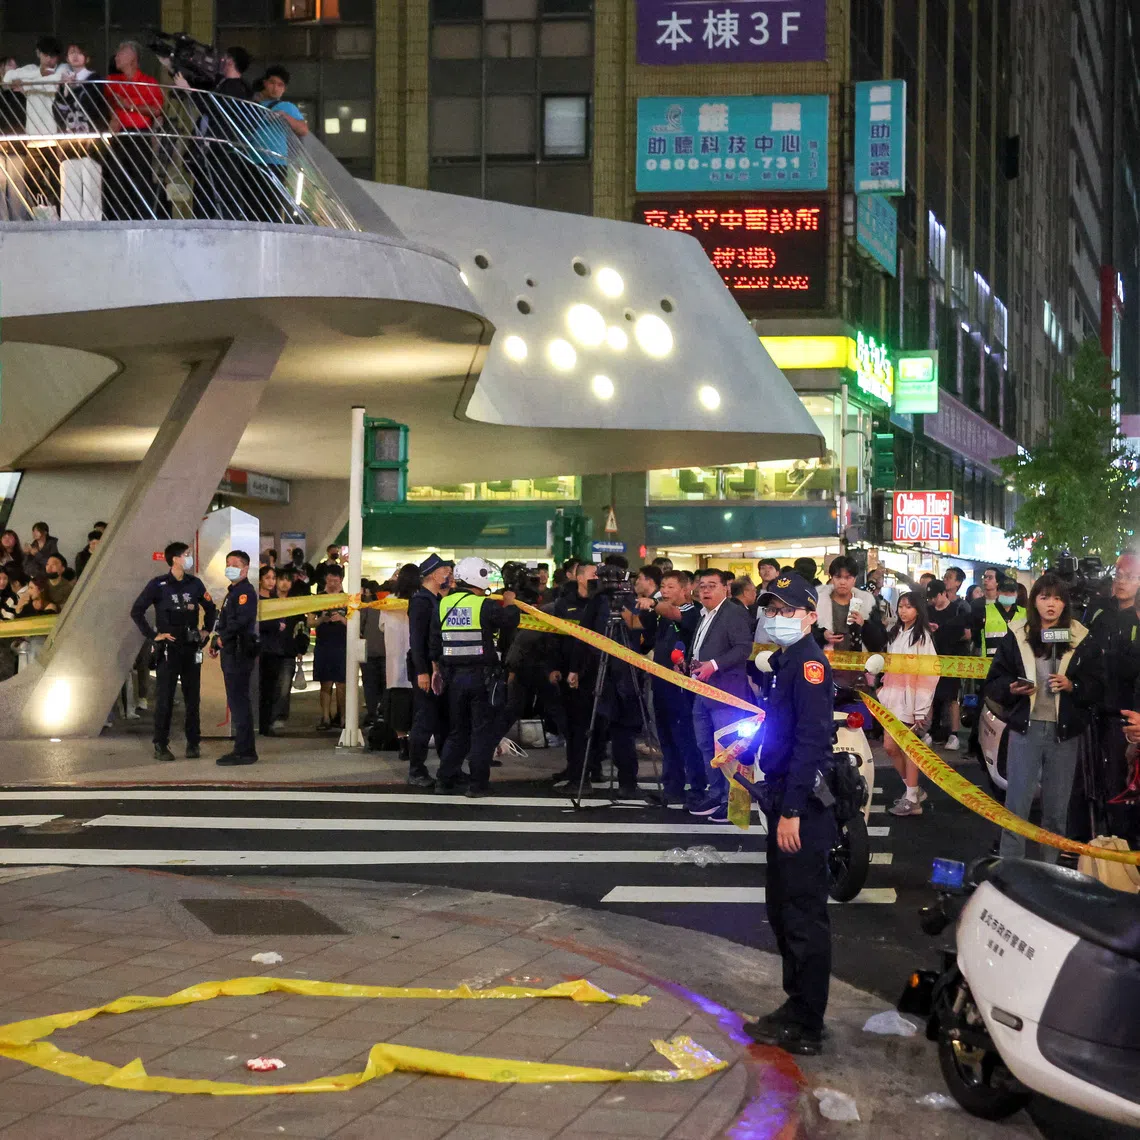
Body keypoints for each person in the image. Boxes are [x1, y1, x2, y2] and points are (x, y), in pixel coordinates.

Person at [744, 572, 835, 1056]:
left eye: (786, 611)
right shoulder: (785, 661)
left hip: (801, 804)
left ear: (810, 616)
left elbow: (811, 742)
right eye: (771, 610)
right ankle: (796, 1005)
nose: (776, 618)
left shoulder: (809, 665)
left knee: (801, 914)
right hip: (782, 793)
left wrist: (793, 810)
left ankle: (807, 1022)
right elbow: (779, 727)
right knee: (782, 909)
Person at [987, 573, 1103, 861]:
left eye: (1058, 598)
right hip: (1025, 730)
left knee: (1056, 810)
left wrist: (1072, 685)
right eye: (1044, 597)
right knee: (1016, 806)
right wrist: (1012, 688)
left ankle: (1049, 869)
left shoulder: (1081, 637)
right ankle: (1011, 869)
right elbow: (994, 681)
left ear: (1065, 604)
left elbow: (1097, 685)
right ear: (1034, 601)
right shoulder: (1017, 634)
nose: (1051, 604)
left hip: (1064, 733)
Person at [429, 556, 519, 796]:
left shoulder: (443, 604)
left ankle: (444, 780)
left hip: (453, 678)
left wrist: (437, 670)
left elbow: (434, 644)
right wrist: (511, 602)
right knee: (481, 732)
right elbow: (510, 620)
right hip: (481, 678)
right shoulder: (484, 605)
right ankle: (478, 784)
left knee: (458, 731)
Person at [130, 541, 216, 761]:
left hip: (191, 648)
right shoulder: (158, 585)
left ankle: (193, 743)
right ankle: (160, 744)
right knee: (165, 699)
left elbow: (211, 608)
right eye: (186, 554)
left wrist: (206, 630)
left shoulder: (195, 584)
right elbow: (137, 611)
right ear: (175, 559)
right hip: (168, 649)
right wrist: (153, 635)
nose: (189, 558)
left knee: (192, 699)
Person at [563, 563, 643, 798]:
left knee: (611, 727)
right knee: (614, 728)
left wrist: (575, 669)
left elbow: (584, 635)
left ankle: (615, 780)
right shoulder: (612, 601)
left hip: (611, 672)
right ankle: (625, 783)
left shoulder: (608, 602)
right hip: (609, 672)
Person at [688, 568, 755, 823]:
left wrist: (714, 665)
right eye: (702, 586)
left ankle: (731, 800)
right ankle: (715, 793)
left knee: (727, 748)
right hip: (702, 690)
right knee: (706, 745)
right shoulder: (704, 614)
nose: (705, 590)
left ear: (725, 588)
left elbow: (743, 648)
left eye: (712, 585)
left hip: (727, 693)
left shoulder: (732, 612)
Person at [635, 569, 706, 808]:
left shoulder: (692, 611)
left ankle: (697, 790)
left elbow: (673, 612)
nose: (664, 591)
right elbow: (647, 639)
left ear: (686, 590)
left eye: (670, 587)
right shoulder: (662, 615)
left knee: (686, 738)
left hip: (681, 687)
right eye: (663, 586)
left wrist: (654, 603)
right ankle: (672, 788)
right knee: (665, 737)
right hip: (661, 683)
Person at [1081, 552, 1140, 833]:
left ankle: (1123, 838)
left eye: (1130, 576)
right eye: (1118, 575)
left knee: (1121, 782)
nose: (1122, 581)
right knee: (1090, 780)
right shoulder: (1098, 609)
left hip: (1127, 716)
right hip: (1091, 710)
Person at [876, 592, 938, 816]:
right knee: (890, 747)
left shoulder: (922, 637)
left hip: (911, 702)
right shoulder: (896, 633)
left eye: (908, 607)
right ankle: (913, 791)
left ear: (918, 610)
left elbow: (930, 673)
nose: (903, 611)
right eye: (901, 606)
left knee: (908, 748)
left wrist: (921, 708)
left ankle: (912, 798)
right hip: (893, 700)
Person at [547, 562, 599, 789]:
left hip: (597, 670)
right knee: (573, 725)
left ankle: (589, 770)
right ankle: (575, 769)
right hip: (570, 672)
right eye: (593, 574)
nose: (597, 578)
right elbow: (555, 637)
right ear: (579, 578)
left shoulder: (602, 603)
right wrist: (553, 667)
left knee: (593, 724)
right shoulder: (563, 604)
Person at [209, 550, 259, 765]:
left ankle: (245, 750)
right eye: (227, 564)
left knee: (239, 702)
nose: (230, 568)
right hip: (231, 651)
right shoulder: (233, 592)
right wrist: (216, 641)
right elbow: (226, 621)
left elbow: (240, 622)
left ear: (245, 569)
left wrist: (222, 639)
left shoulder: (245, 592)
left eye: (235, 565)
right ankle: (243, 748)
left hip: (239, 652)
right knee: (236, 701)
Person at [104, 41, 165, 221]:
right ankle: (117, 220)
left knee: (140, 180)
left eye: (120, 52)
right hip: (119, 136)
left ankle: (142, 220)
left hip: (140, 135)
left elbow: (156, 109)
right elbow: (107, 101)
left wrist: (130, 106)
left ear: (132, 57)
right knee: (117, 179)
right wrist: (114, 114)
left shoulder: (149, 82)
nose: (116, 56)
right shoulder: (112, 81)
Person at [407, 553, 454, 787]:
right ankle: (416, 770)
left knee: (443, 721)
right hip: (426, 669)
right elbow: (416, 640)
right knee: (425, 721)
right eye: (446, 571)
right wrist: (422, 672)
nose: (450, 576)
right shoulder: (421, 602)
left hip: (438, 668)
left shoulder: (435, 599)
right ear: (434, 575)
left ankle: (449, 770)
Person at [249, 65, 307, 221]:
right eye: (272, 83)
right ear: (265, 83)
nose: (275, 88)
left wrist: (285, 117)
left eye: (280, 85)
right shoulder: (253, 105)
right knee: (252, 208)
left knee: (272, 207)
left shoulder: (287, 107)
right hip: (251, 160)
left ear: (284, 89)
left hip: (275, 162)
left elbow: (303, 129)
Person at [813, 556, 887, 679]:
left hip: (858, 671)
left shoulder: (867, 603)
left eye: (848, 577)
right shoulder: (818, 602)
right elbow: (806, 633)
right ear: (831, 578)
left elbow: (880, 641)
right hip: (823, 668)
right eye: (838, 577)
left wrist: (864, 625)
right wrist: (822, 635)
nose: (842, 582)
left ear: (854, 579)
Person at [377, 564, 418, 760]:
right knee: (418, 709)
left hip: (394, 666)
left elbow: (382, 626)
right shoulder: (421, 600)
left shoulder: (388, 602)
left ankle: (403, 745)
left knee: (398, 709)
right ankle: (417, 745)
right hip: (418, 665)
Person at [926, 579, 972, 750]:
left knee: (952, 697)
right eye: (930, 597)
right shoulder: (928, 611)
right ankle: (929, 731)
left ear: (943, 593)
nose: (932, 600)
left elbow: (967, 634)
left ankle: (954, 734)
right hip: (932, 658)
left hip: (952, 658)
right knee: (930, 696)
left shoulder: (957, 610)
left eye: (934, 597)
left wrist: (946, 635)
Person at [256, 564, 290, 738]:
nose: (271, 581)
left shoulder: (276, 599)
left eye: (273, 578)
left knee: (271, 689)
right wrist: (275, 625)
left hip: (274, 649)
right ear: (260, 580)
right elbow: (257, 623)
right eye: (267, 578)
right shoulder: (256, 599)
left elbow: (282, 622)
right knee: (258, 687)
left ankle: (267, 723)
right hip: (258, 648)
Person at [313, 565, 348, 730]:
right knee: (325, 683)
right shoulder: (318, 598)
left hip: (342, 644)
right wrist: (322, 619)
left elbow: (356, 624)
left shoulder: (348, 599)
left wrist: (341, 618)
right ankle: (325, 717)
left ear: (341, 580)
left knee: (342, 684)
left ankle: (343, 718)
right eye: (329, 580)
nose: (332, 584)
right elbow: (310, 622)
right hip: (324, 644)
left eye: (336, 580)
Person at [977, 572, 1026, 658]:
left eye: (1012, 592)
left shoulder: (1025, 613)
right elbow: (976, 637)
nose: (1008, 595)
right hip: (991, 663)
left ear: (1016, 594)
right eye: (1004, 591)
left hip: (1017, 662)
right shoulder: (985, 611)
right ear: (997, 592)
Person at [359, 581, 387, 728]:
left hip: (369, 651)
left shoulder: (367, 605)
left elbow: (359, 626)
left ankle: (372, 714)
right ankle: (384, 713)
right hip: (388, 651)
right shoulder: (392, 603)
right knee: (386, 684)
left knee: (370, 685)